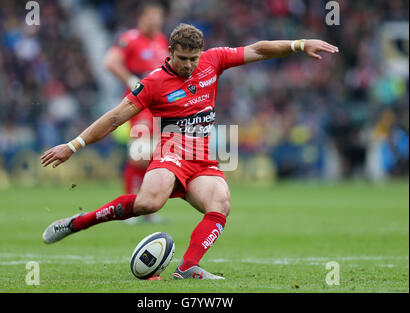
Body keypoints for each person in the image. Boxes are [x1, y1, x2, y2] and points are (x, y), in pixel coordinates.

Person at [41, 23, 338, 280]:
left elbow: (258, 50)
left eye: (193, 59)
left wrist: (299, 44)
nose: (188, 65)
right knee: (148, 204)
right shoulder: (153, 82)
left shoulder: (213, 60)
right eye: (182, 58)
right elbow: (116, 116)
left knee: (220, 203)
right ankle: (78, 222)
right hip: (170, 152)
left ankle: (189, 267)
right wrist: (72, 145)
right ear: (170, 51)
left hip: (202, 158)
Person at [104, 1, 168, 224]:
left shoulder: (161, 40)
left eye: (158, 16)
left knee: (153, 156)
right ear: (142, 17)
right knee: (139, 155)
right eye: (152, 16)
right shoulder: (129, 38)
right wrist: (131, 80)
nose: (156, 21)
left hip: (159, 104)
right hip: (139, 103)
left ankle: (147, 209)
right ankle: (129, 209)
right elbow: (110, 62)